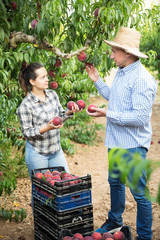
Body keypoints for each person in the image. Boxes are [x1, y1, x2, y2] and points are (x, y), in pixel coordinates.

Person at [85, 27, 157, 240]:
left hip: (132, 145)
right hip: (116, 141)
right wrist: (97, 80)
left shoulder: (143, 79)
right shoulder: (122, 73)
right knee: (115, 183)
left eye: (114, 50)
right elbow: (114, 100)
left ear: (127, 52)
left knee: (139, 193)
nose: (111, 54)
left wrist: (108, 114)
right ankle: (115, 220)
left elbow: (139, 118)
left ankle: (144, 236)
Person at [16, 62, 80, 208]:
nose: (47, 79)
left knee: (65, 186)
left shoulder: (52, 94)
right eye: (43, 77)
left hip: (56, 151)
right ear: (32, 81)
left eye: (46, 76)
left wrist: (68, 113)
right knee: (42, 191)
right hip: (37, 153)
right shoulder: (25, 105)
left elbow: (60, 116)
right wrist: (46, 127)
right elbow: (26, 132)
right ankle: (41, 221)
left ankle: (61, 219)